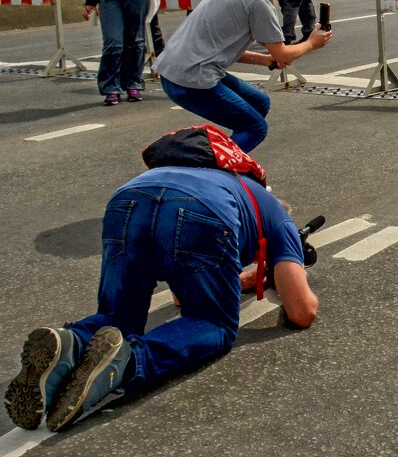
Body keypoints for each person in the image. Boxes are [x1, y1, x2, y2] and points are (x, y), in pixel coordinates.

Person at [3, 157, 317, 432]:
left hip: (128, 201)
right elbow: (302, 312)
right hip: (203, 211)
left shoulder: (231, 185)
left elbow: (182, 292)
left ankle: (71, 343)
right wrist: (290, 270)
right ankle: (126, 363)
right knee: (214, 324)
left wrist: (237, 280)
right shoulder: (281, 220)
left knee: (118, 318)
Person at [153, 0, 332, 151]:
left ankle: (223, 157)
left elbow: (220, 47)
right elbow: (281, 53)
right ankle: (209, 169)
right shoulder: (257, 1)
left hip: (174, 73)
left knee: (259, 102)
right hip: (191, 79)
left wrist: (265, 59)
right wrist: (311, 42)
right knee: (255, 128)